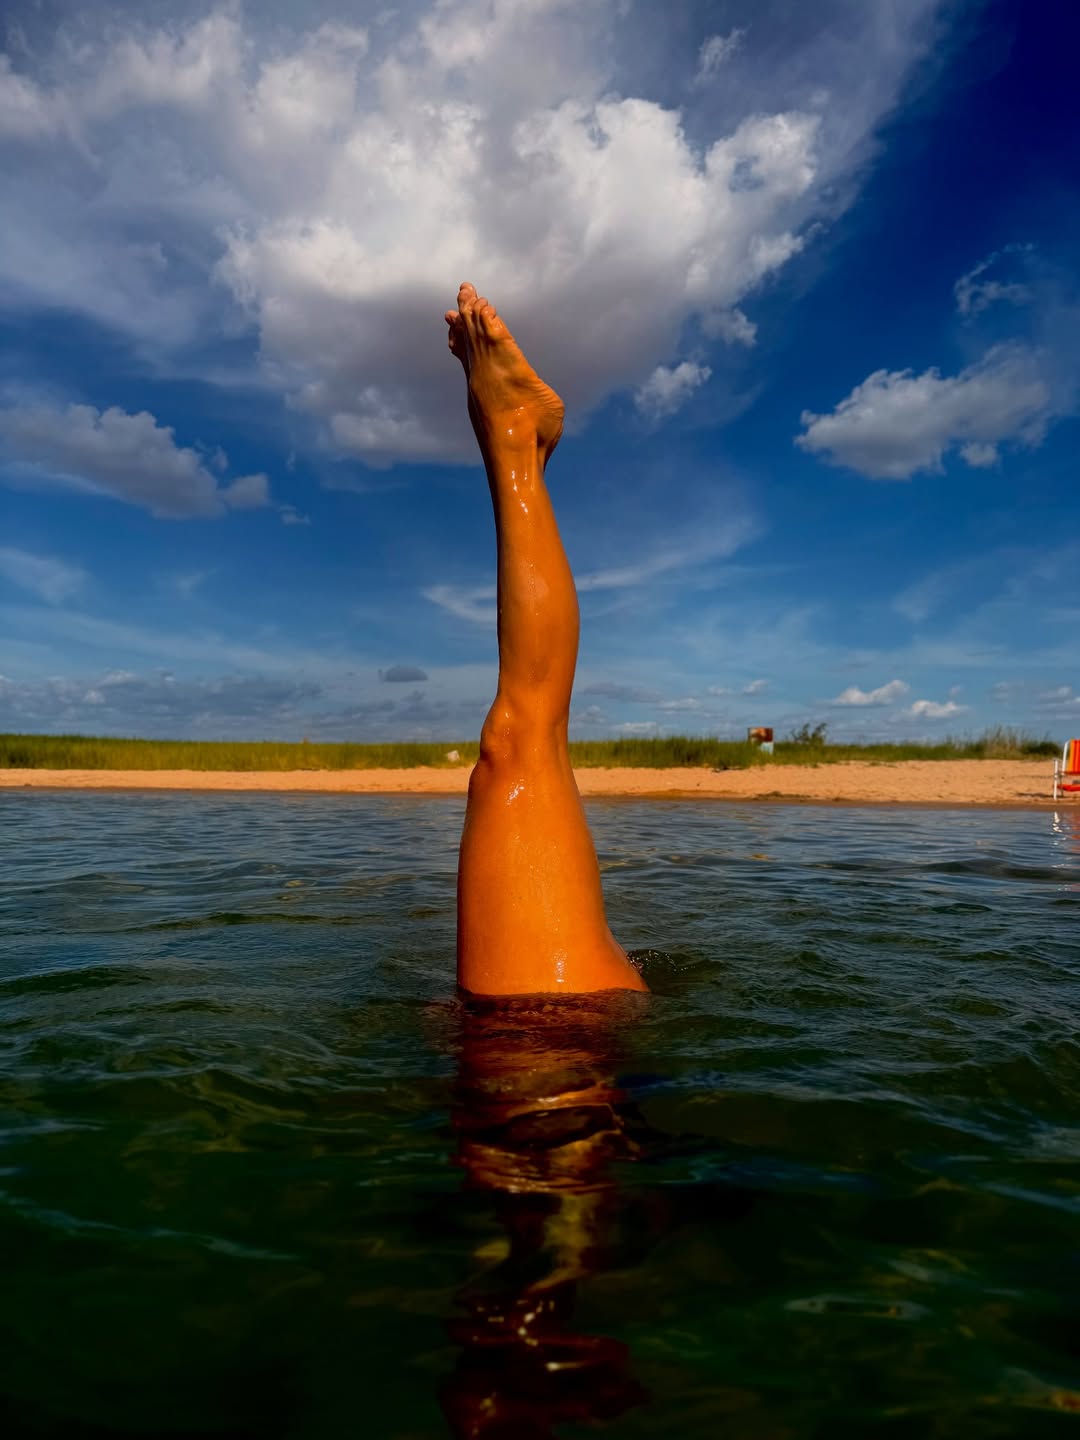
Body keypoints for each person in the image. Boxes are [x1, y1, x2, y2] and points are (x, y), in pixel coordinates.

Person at [445, 283, 648, 997]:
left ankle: (517, 446)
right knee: (523, 742)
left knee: (521, 742)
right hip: (558, 1063)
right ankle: (515, 447)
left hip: (543, 1063)